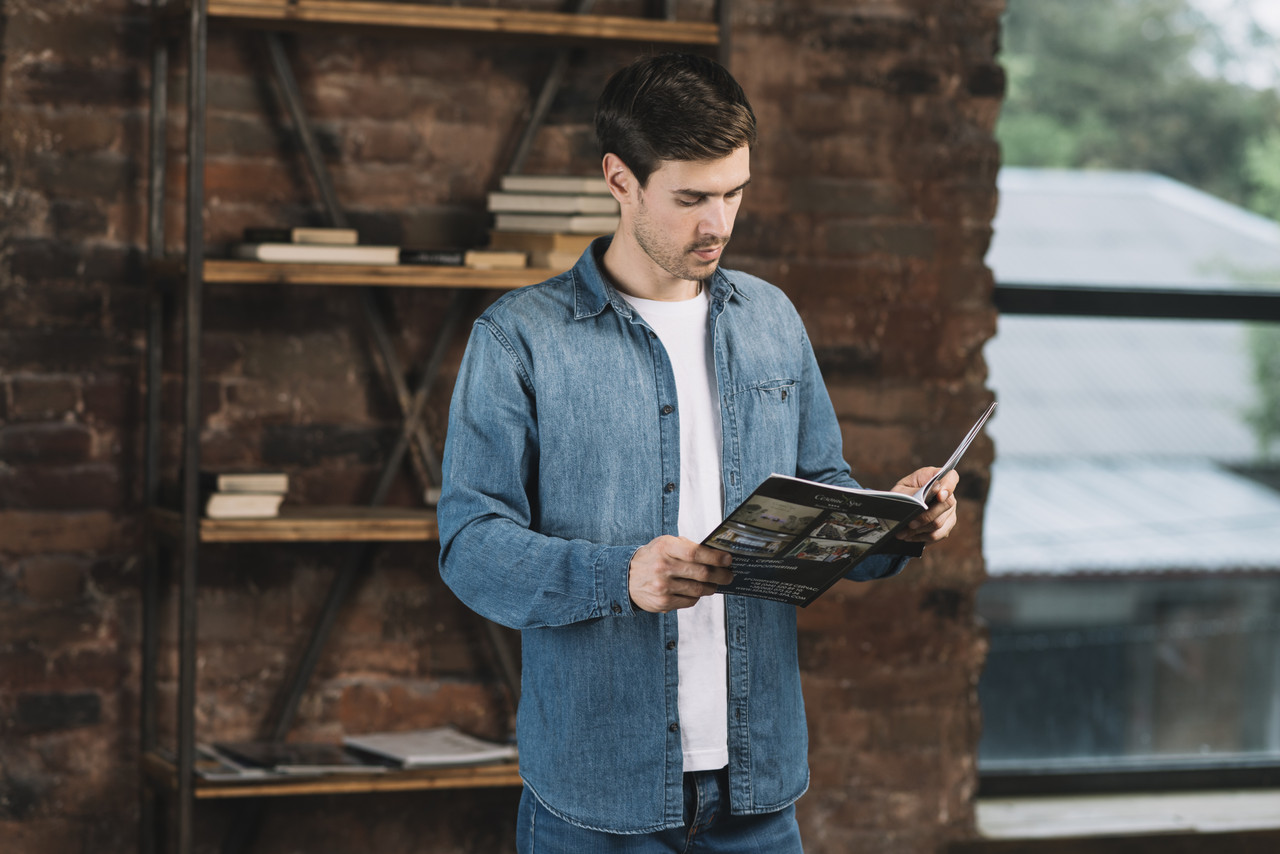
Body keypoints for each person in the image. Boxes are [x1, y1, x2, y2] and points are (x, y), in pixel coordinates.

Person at [438, 52, 959, 853]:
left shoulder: (773, 320)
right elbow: (470, 547)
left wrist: (896, 521)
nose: (717, 223)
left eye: (733, 193)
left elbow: (821, 489)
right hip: (597, 795)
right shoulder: (517, 341)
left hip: (759, 789)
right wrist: (620, 576)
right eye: (690, 198)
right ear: (620, 180)